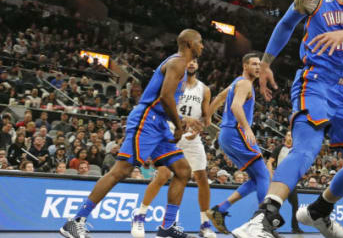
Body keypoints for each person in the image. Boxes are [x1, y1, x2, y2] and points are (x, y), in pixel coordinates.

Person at [235, 0, 343, 238]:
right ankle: (263, 218)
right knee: (307, 147)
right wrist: (265, 64)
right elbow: (285, 25)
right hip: (314, 82)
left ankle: (318, 211)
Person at [60, 29, 204, 238]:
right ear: (190, 44)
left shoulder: (178, 64)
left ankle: (167, 227)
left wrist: (179, 121)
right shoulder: (179, 62)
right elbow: (165, 97)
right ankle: (75, 221)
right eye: (200, 42)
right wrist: (180, 126)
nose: (203, 46)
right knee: (121, 171)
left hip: (159, 122)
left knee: (182, 171)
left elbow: (164, 101)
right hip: (147, 120)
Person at [131, 58, 216, 238]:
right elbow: (163, 104)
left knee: (202, 177)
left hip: (191, 136)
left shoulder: (205, 89)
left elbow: (206, 118)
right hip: (170, 129)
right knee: (162, 174)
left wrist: (199, 128)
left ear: (199, 65)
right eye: (189, 61)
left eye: (195, 61)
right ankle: (140, 215)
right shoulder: (175, 82)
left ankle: (205, 224)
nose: (192, 63)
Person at [206, 53, 271, 235]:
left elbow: (219, 97)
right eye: (253, 64)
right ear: (245, 66)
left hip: (226, 135)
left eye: (259, 64)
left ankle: (220, 209)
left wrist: (207, 118)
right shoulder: (244, 83)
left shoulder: (236, 82)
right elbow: (236, 106)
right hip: (236, 133)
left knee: (256, 178)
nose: (258, 67)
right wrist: (247, 128)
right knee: (264, 175)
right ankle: (262, 223)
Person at [267, 131, 303, 234]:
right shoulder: (279, 148)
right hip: (280, 180)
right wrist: (271, 175)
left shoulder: (296, 150)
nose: (290, 137)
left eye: (292, 135)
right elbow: (269, 162)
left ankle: (295, 227)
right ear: (285, 137)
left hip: (291, 181)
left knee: (295, 205)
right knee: (275, 204)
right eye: (288, 135)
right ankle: (271, 227)